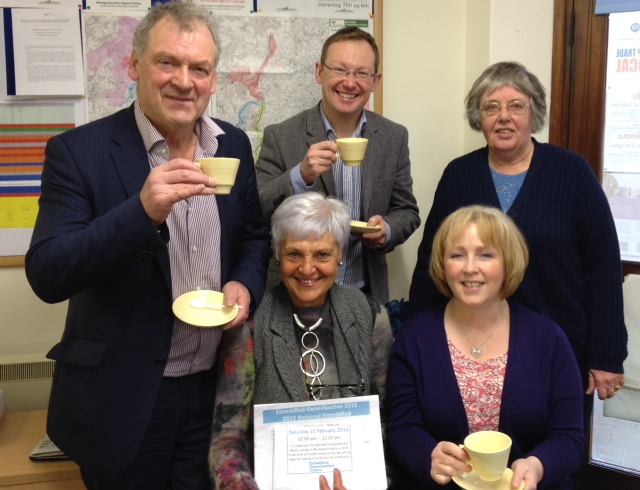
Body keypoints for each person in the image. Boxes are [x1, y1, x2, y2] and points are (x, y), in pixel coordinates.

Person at [24, 1, 271, 488]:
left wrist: (244, 281)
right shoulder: (78, 152)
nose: (184, 80)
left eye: (199, 68)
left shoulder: (235, 145)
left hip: (212, 392)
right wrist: (140, 214)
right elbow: (48, 273)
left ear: (214, 79)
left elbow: (255, 237)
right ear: (134, 65)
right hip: (125, 400)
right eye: (167, 62)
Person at [407, 61, 627, 431]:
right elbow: (432, 261)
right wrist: (413, 342)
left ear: (534, 112)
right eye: (491, 107)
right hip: (473, 351)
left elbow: (603, 267)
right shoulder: (458, 175)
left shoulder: (571, 173)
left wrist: (607, 354)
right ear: (479, 116)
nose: (503, 117)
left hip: (560, 349)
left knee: (552, 455)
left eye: (516, 106)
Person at [388, 205, 585, 489]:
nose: (470, 267)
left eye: (486, 254)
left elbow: (569, 437)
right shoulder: (414, 338)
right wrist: (428, 456)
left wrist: (538, 465)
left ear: (508, 263)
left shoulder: (549, 339)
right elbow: (402, 428)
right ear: (443, 264)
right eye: (457, 255)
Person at [208, 192, 394, 489]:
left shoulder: (371, 316)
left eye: (322, 255)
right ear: (278, 254)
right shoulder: (250, 324)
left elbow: (387, 420)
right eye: (294, 254)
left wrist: (374, 481)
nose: (307, 269)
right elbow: (227, 439)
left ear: (341, 255)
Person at [255, 26, 420, 304]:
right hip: (294, 295)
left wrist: (387, 230)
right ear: (320, 72)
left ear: (375, 81)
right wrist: (299, 176)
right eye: (340, 70)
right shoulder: (281, 136)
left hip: (364, 296)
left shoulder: (393, 137)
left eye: (361, 73)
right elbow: (256, 211)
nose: (349, 82)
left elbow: (407, 211)